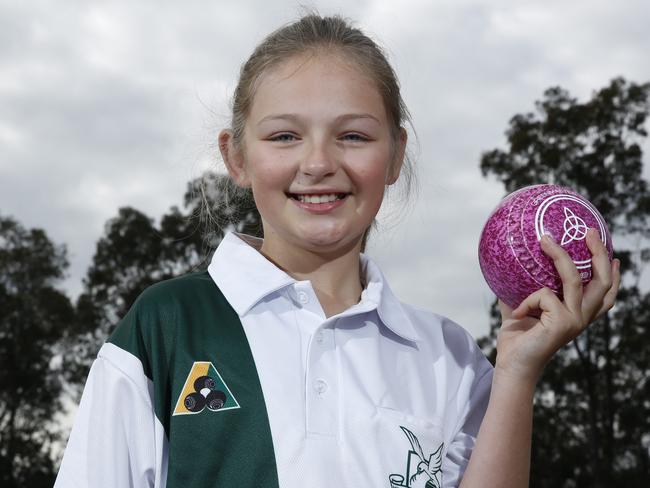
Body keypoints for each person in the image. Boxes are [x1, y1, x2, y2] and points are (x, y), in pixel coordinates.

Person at [54, 11, 621, 488]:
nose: (319, 163)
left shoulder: (448, 358)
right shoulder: (167, 326)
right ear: (237, 158)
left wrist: (517, 372)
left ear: (396, 154)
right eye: (284, 136)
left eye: (353, 135)